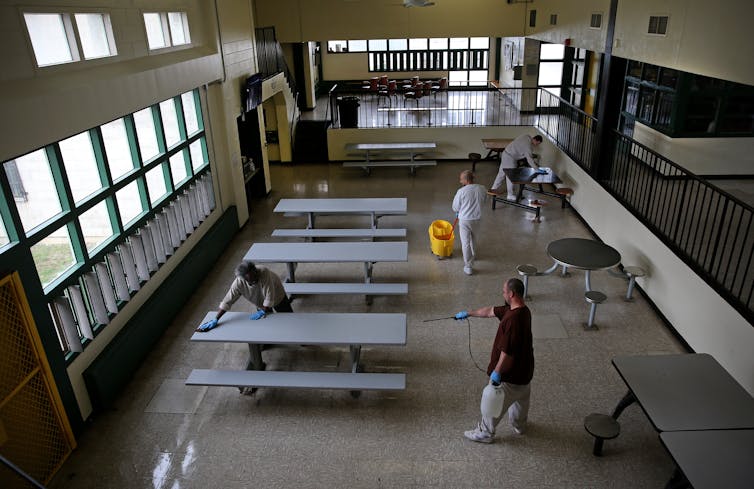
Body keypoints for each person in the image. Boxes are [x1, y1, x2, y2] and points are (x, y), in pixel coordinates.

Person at [455, 277, 534, 444]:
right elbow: (490, 311)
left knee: (493, 400)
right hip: (525, 373)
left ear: (511, 294)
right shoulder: (522, 310)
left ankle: (485, 432)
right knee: (521, 400)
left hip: (510, 375)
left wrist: (497, 373)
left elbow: (507, 352)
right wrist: (468, 313)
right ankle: (520, 426)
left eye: (504, 291)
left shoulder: (513, 320)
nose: (502, 293)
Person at [196, 261, 292, 390]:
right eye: (249, 281)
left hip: (277, 294)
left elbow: (269, 295)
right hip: (259, 301)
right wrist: (216, 319)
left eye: (254, 278)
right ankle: (267, 341)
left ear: (255, 271)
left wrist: (264, 309)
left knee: (288, 318)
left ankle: (301, 339)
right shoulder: (239, 282)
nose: (252, 282)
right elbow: (228, 300)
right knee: (266, 323)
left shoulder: (264, 272)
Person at [452, 170, 487, 276]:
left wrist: (460, 210)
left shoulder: (461, 191)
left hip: (464, 220)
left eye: (461, 179)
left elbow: (455, 207)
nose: (460, 181)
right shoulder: (482, 188)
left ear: (466, 180)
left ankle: (468, 266)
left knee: (465, 242)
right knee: (474, 237)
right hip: (478, 218)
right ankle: (474, 255)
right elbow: (485, 200)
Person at [490, 134, 542, 201]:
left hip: (505, 153)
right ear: (535, 140)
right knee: (511, 176)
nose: (536, 145)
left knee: (501, 173)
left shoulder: (526, 136)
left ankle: (493, 188)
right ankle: (510, 195)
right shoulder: (527, 146)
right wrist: (536, 169)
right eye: (537, 143)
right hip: (510, 158)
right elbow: (530, 159)